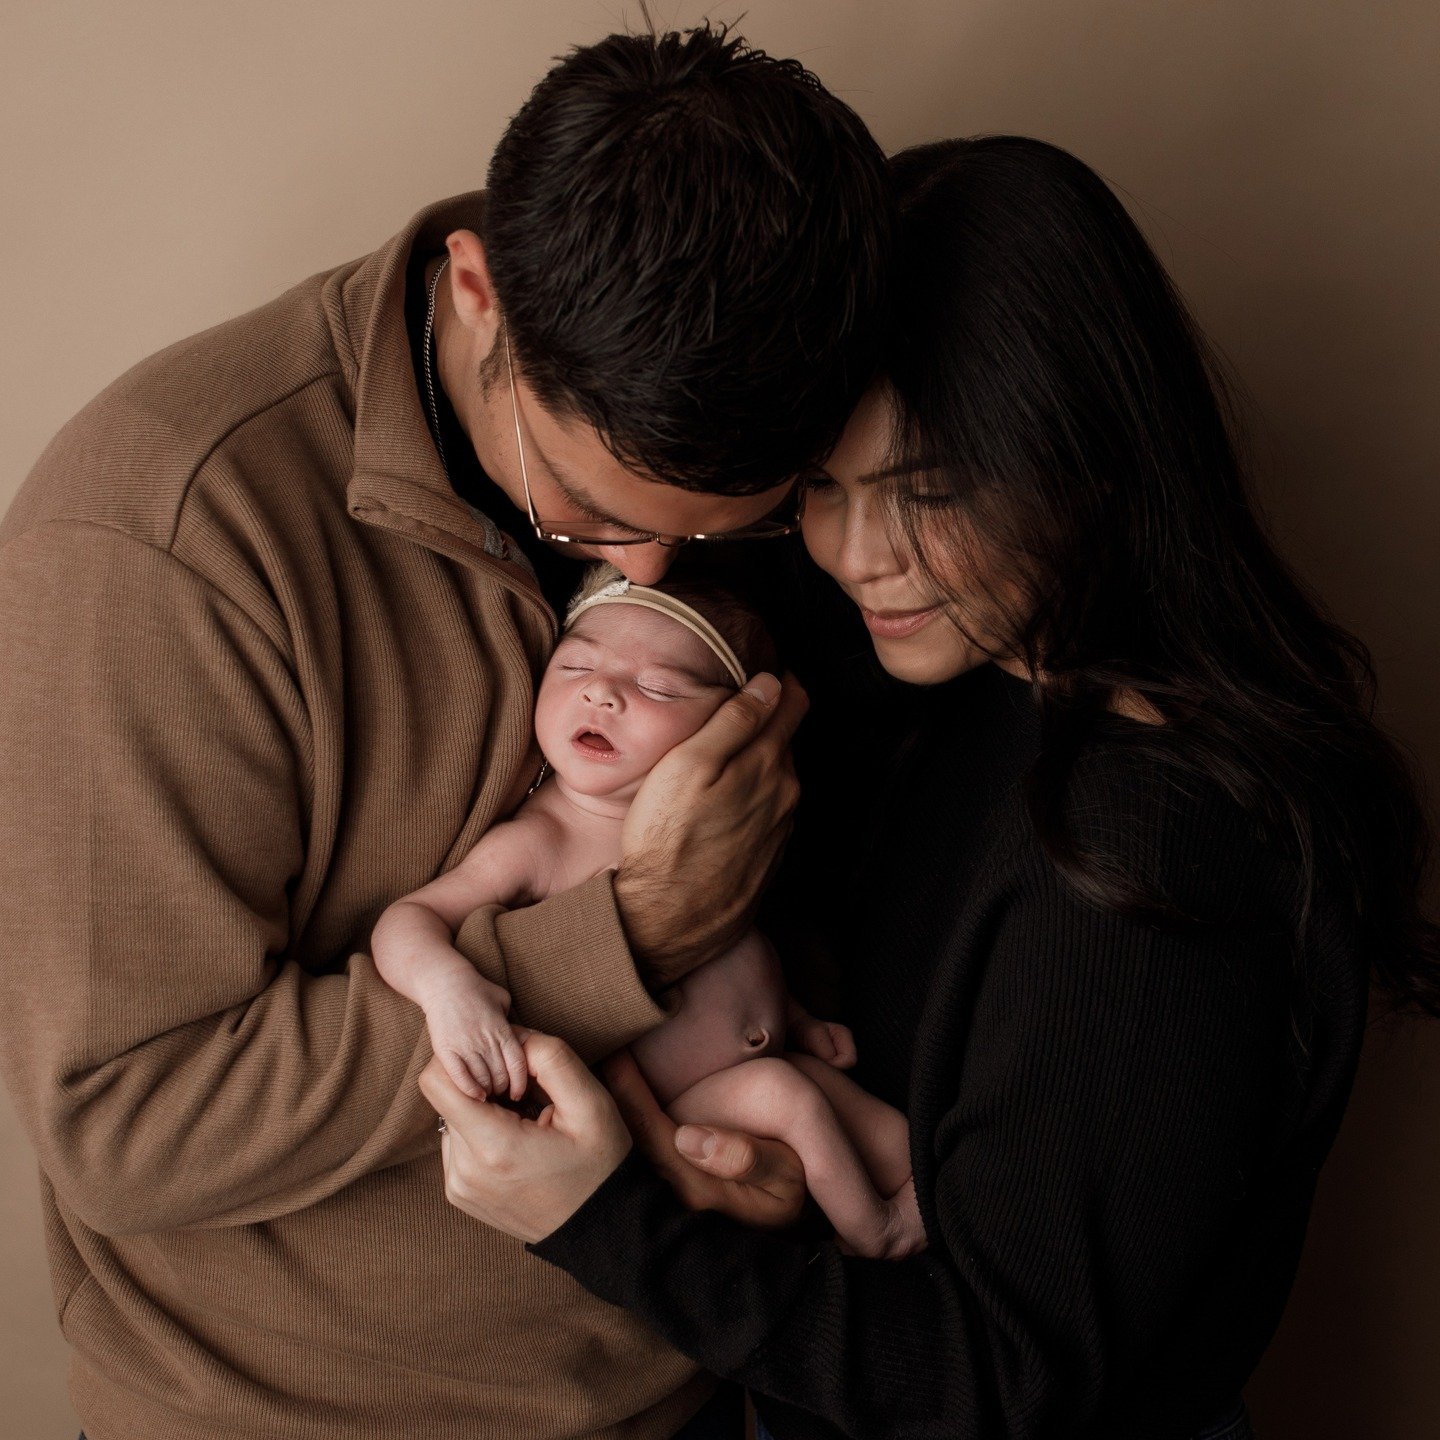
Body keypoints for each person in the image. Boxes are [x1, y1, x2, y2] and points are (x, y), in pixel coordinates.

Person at [422, 136, 1440, 1439]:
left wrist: (605, 1224)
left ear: (1091, 451)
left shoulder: (1145, 849)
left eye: (931, 490)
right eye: (826, 491)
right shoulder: (956, 694)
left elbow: (1006, 1379)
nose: (860, 556)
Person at [0, 21, 893, 1440]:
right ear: (477, 288)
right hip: (304, 1418)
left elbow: (805, 850)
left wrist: (763, 1101)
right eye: (588, 514)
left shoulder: (779, 407)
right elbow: (129, 1126)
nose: (645, 575)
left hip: (718, 1369)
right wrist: (630, 937)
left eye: (721, 527)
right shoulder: (162, 532)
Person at [374, 565, 923, 1259]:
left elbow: (733, 940)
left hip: (756, 1058)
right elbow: (409, 919)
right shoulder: (543, 839)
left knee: (902, 1145)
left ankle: (929, 1234)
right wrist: (445, 988)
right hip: (678, 1102)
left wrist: (796, 1016)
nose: (601, 691)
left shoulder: (723, 827)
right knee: (789, 1099)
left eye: (658, 686)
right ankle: (877, 1237)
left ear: (733, 727)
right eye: (575, 666)